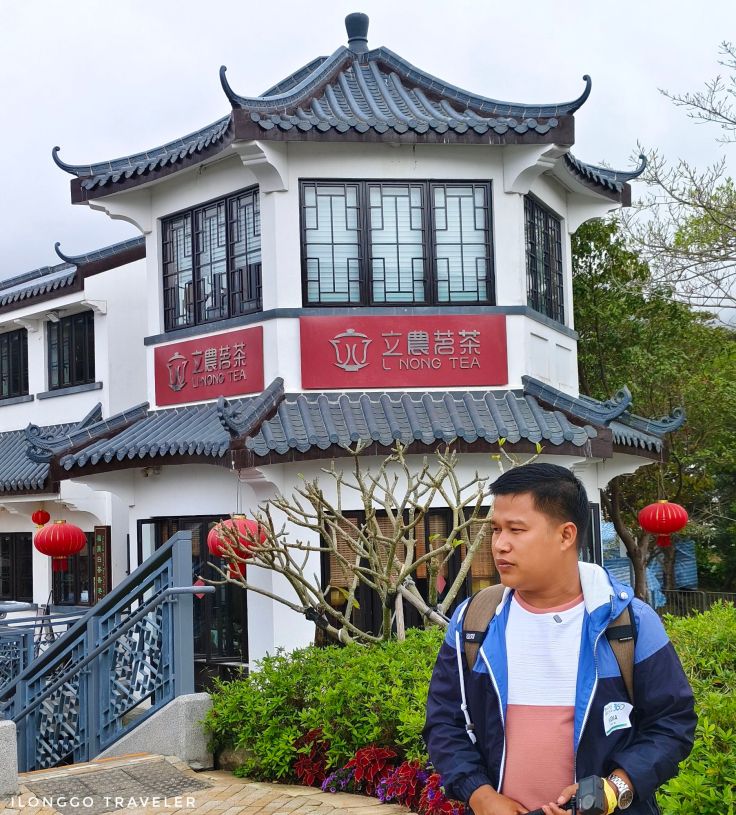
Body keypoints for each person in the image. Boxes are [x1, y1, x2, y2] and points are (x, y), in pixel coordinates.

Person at [423, 463, 696, 815]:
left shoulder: (629, 623)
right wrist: (481, 796)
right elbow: (444, 722)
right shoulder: (474, 621)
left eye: (516, 530)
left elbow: (672, 723)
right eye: (495, 530)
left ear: (566, 535)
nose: (499, 545)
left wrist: (612, 791)